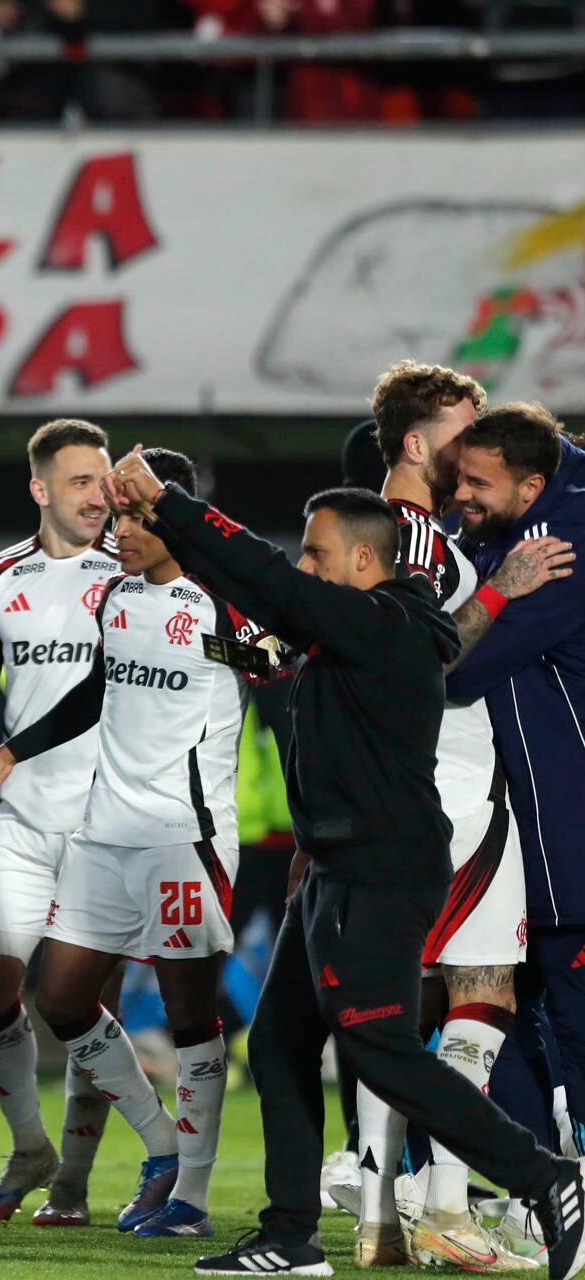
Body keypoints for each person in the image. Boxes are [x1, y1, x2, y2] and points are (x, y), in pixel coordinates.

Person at [93, 452, 585, 1279]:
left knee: (381, 1048)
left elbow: (267, 580)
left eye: (318, 554)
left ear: (365, 560)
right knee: (283, 1045)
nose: (306, 566)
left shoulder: (382, 624)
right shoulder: (361, 623)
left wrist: (168, 501)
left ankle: (547, 1177)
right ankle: (289, 1237)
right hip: (333, 866)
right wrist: (179, 525)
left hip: (377, 869)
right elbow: (257, 584)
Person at [0, 448, 261, 1241]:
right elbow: (100, 687)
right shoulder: (117, 596)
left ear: (172, 517)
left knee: (193, 1015)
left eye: (133, 514)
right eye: (115, 513)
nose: (116, 529)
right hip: (102, 835)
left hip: (182, 839)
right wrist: (9, 752)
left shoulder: (222, 605)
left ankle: (190, 1197)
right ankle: (162, 1149)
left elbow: (282, 682)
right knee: (59, 997)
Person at [363, 364, 573, 1267]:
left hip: (402, 791)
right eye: (463, 428)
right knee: (476, 990)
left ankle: (380, 1206)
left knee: (398, 998)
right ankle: (443, 1203)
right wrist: (499, 593)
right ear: (420, 445)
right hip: (452, 786)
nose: (476, 437)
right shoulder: (424, 540)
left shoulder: (396, 528)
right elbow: (419, 670)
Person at [0, 419, 123, 1225]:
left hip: (106, 815)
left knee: (82, 1001)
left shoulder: (134, 572)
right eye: (81, 480)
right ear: (41, 489)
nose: (99, 495)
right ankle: (30, 1146)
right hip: (17, 816)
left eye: (105, 479)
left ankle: (74, 1182)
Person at [445, 404, 585, 1169]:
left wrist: (494, 591)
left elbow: (458, 669)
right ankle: (537, 1181)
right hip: (525, 820)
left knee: (568, 1012)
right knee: (509, 1004)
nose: (458, 496)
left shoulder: (560, 545)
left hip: (568, 820)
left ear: (531, 486)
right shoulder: (527, 516)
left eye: (475, 483)